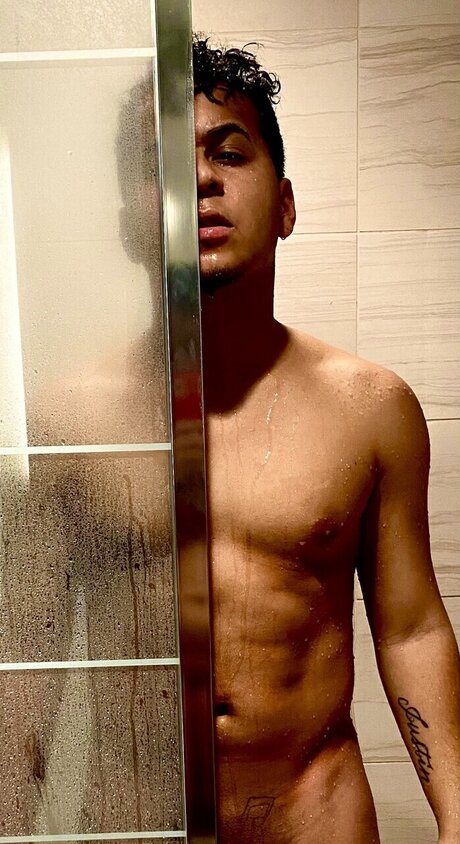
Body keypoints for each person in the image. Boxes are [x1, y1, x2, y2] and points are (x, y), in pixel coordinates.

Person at [192, 36, 460, 843]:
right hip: (148, 819)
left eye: (228, 153)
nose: (200, 180)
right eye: (167, 165)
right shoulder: (74, 422)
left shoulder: (370, 407)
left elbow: (412, 626)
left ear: (285, 206)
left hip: (318, 816)